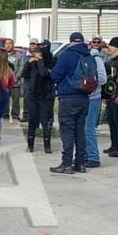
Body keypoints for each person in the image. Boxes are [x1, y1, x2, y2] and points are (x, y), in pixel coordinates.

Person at [49, 32, 96, 174]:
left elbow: (56, 75)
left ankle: (66, 164)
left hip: (68, 97)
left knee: (67, 130)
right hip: (85, 97)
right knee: (79, 131)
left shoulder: (67, 55)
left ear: (70, 42)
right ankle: (80, 163)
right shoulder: (89, 56)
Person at [24, 39, 56, 153]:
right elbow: (25, 74)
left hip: (46, 96)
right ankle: (30, 144)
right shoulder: (33, 61)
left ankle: (47, 145)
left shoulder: (51, 61)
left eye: (42, 48)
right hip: (33, 95)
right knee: (32, 120)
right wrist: (29, 62)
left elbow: (43, 73)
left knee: (45, 121)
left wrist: (40, 61)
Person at [83, 44, 109, 168]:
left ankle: (93, 157)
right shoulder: (81, 57)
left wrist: (87, 83)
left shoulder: (96, 58)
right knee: (83, 129)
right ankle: (84, 155)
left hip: (93, 98)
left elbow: (103, 79)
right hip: (83, 98)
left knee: (89, 128)